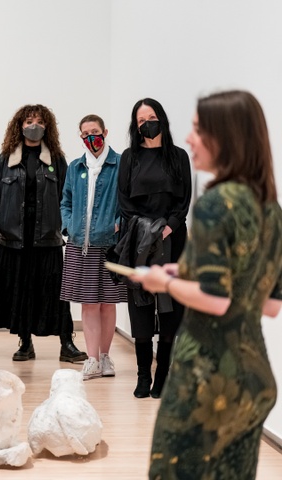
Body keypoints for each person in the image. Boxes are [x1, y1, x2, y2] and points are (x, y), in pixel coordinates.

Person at [130, 90, 282, 479]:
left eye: (199, 129)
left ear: (226, 136)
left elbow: (215, 300)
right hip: (254, 379)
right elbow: (268, 304)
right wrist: (182, 275)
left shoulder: (217, 203)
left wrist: (159, 282)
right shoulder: (271, 208)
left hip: (209, 377)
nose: (190, 138)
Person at [0, 104, 87, 364]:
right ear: (19, 125)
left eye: (40, 121)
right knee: (21, 293)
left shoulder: (56, 159)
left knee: (55, 294)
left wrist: (65, 227)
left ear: (47, 127)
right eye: (29, 120)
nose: (34, 125)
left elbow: (68, 196)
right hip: (13, 240)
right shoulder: (4, 159)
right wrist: (1, 222)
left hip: (47, 239)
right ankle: (25, 343)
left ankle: (67, 343)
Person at [117, 98, 191, 399]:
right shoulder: (129, 157)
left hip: (173, 240)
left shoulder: (178, 156)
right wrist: (147, 231)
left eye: (151, 116)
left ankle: (163, 374)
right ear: (136, 127)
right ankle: (142, 375)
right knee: (142, 306)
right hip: (139, 242)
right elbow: (124, 201)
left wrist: (167, 226)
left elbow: (183, 201)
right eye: (140, 120)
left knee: (171, 309)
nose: (147, 123)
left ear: (161, 119)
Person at [60, 115, 127, 380]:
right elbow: (65, 201)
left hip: (111, 244)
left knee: (108, 303)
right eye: (86, 133)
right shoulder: (75, 167)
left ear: (105, 132)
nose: (91, 137)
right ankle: (91, 359)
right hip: (80, 245)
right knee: (88, 304)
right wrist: (69, 226)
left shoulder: (121, 164)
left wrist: (118, 225)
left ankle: (105, 357)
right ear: (80, 137)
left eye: (95, 132)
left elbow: (130, 201)